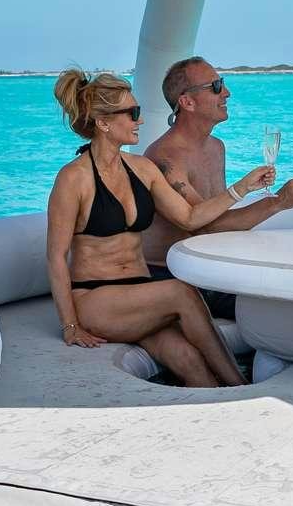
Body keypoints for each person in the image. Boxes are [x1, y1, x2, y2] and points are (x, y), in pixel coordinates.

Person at [44, 69, 271, 387]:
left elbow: (190, 218)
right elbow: (56, 256)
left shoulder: (143, 168)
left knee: (187, 359)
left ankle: (219, 415)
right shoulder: (73, 178)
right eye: (133, 113)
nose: (140, 120)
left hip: (141, 293)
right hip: (95, 298)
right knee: (182, 292)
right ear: (104, 122)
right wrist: (69, 325)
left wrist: (242, 188)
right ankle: (242, 388)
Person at [142, 56, 293, 318]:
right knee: (283, 309)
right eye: (215, 86)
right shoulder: (165, 158)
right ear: (187, 102)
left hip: (207, 265)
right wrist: (278, 201)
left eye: (222, 83)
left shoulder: (216, 147)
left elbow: (219, 221)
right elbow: (204, 225)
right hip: (174, 272)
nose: (226, 92)